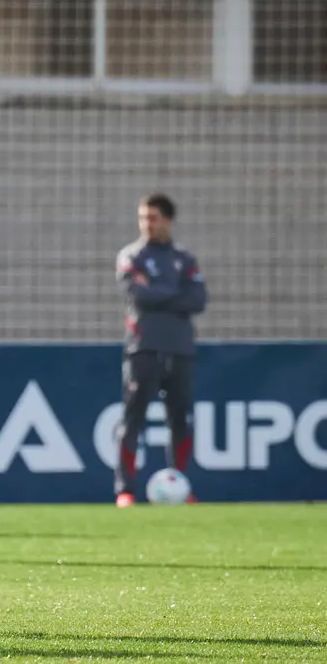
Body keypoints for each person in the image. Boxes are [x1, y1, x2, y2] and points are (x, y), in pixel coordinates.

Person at [113, 193, 207, 507]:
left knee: (180, 419)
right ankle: (125, 490)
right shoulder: (131, 255)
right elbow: (139, 296)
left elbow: (198, 300)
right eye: (143, 218)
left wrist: (159, 291)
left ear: (167, 219)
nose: (146, 225)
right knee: (133, 419)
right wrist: (173, 293)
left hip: (180, 349)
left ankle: (180, 485)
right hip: (144, 348)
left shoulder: (185, 259)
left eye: (152, 218)